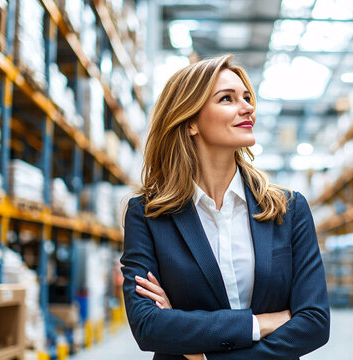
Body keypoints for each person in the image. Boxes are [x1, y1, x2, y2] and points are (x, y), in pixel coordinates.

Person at [121, 54, 330, 360]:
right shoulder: (148, 215)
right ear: (190, 120)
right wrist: (258, 324)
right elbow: (148, 326)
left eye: (247, 97)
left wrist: (203, 352)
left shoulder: (288, 209)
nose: (248, 108)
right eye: (227, 99)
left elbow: (314, 323)